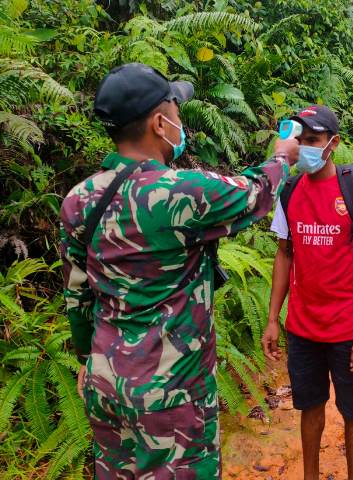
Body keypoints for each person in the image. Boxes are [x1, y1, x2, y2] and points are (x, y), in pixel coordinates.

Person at [59, 63, 299, 479]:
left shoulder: (80, 199)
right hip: (172, 394)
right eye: (177, 112)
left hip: (106, 382)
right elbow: (256, 192)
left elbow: (78, 295)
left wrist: (89, 358)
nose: (180, 122)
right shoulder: (183, 192)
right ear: (159, 122)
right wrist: (282, 157)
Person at [261, 105, 353, 480]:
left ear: (333, 144)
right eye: (298, 141)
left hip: (348, 327)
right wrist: (273, 318)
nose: (303, 148)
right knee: (310, 406)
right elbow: (284, 254)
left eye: (313, 140)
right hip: (302, 326)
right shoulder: (289, 190)